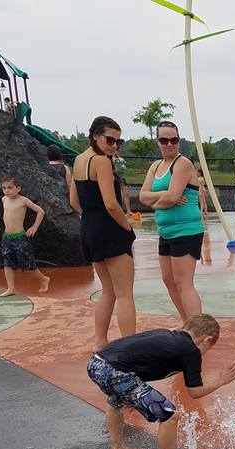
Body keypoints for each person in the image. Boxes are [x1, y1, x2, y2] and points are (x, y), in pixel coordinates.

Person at [86, 313, 235, 449]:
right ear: (207, 340)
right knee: (169, 415)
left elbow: (140, 357)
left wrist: (130, 394)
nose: (205, 353)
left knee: (115, 403)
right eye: (209, 348)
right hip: (116, 372)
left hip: (97, 364)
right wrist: (220, 380)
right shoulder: (190, 350)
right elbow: (195, 392)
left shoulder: (167, 335)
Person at [69, 116, 136, 349]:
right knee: (125, 292)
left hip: (89, 227)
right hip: (110, 229)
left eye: (118, 142)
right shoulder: (102, 162)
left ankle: (100, 340)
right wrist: (127, 227)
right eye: (110, 140)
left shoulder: (78, 161)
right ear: (96, 135)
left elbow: (74, 201)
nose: (114, 146)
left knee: (108, 290)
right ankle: (130, 346)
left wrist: (92, 217)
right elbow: (111, 203)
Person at [138, 121, 204, 320]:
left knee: (183, 282)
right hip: (165, 231)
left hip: (186, 230)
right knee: (168, 280)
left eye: (174, 140)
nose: (169, 144)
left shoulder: (182, 163)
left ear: (179, 141)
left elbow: (172, 199)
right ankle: (187, 324)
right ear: (157, 141)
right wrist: (166, 195)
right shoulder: (155, 166)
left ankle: (197, 331)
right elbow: (142, 196)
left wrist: (158, 199)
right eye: (164, 140)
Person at [0, 178, 50, 297]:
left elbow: (40, 211)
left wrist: (34, 226)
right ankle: (10, 288)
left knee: (28, 263)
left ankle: (43, 279)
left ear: (18, 188)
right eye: (4, 188)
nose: (7, 191)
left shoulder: (23, 201)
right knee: (7, 262)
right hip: (6, 237)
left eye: (10, 188)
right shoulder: (4, 199)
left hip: (20, 237)